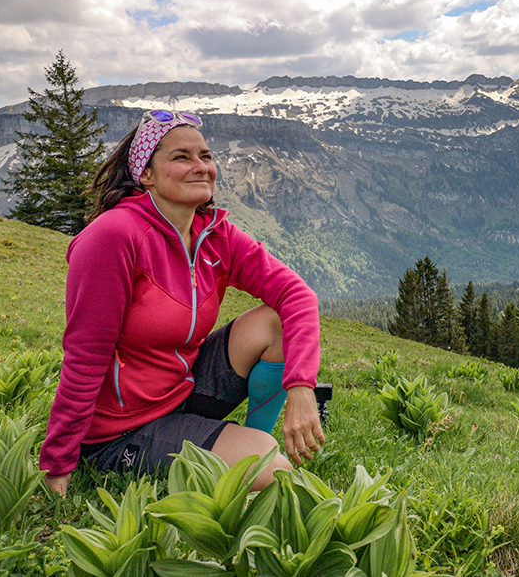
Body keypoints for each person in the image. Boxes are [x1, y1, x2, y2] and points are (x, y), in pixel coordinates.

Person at [39, 109, 324, 496]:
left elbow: (297, 296)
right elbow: (84, 356)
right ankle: (250, 455)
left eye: (205, 156)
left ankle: (253, 441)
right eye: (181, 157)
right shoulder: (113, 236)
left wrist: (301, 387)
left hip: (181, 392)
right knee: (275, 472)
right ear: (145, 175)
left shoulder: (213, 233)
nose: (200, 167)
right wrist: (58, 465)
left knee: (275, 322)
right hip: (122, 430)